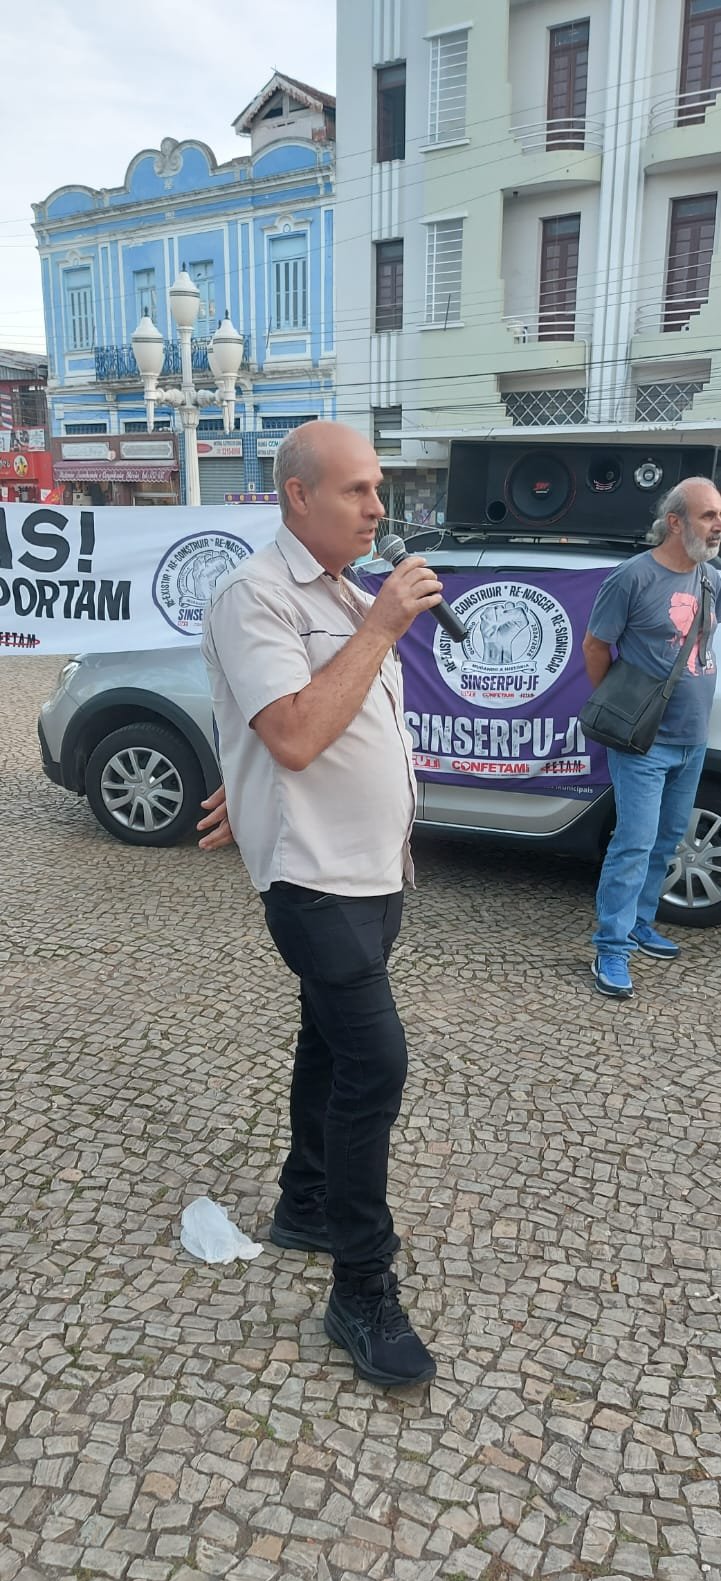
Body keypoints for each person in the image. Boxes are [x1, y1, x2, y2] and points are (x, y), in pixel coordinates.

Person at [200, 420, 444, 1387]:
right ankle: (360, 1288)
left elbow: (296, 729)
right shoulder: (255, 593)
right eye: (357, 490)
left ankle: (304, 1203)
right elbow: (295, 734)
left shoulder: (343, 590)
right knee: (376, 1063)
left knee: (329, 1044)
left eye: (378, 489)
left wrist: (245, 773)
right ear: (297, 495)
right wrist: (380, 627)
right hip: (314, 881)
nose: (377, 507)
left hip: (374, 870)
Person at [582, 476, 721, 1000]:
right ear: (675, 522)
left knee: (666, 840)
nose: (718, 525)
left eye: (720, 515)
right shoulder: (632, 578)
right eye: (708, 515)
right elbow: (595, 646)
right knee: (634, 843)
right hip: (643, 741)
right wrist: (619, 710)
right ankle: (610, 947)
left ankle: (640, 924)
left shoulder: (711, 578)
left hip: (692, 738)